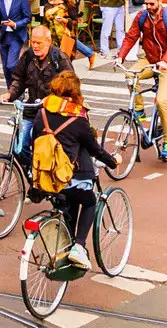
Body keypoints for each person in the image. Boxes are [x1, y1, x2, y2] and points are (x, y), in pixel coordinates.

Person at [30, 69, 118, 272]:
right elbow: (95, 150)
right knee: (89, 201)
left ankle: (65, 251)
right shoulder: (78, 119)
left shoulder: (41, 114)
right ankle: (78, 247)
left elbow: (33, 143)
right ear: (74, 94)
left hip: (45, 180)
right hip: (69, 178)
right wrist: (113, 162)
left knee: (67, 205)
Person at [118, 0, 167, 152]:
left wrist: (165, 61)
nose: (148, 7)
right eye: (146, 3)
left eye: (152, 4)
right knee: (130, 75)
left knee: (161, 101)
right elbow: (131, 36)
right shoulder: (142, 16)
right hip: (150, 60)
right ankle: (140, 110)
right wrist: (120, 57)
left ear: (160, 1)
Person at [0, 19, 69, 157]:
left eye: (38, 43)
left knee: (42, 146)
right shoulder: (28, 56)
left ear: (48, 41)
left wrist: (55, 100)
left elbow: (70, 86)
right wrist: (10, 94)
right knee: (18, 147)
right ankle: (30, 167)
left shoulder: (59, 58)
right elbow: (19, 79)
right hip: (31, 111)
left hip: (51, 113)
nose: (35, 46)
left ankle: (40, 167)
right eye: (33, 42)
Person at [0, 0, 32, 90]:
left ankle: (18, 89)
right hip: (4, 35)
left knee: (11, 65)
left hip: (16, 35)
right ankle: (10, 91)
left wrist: (15, 24)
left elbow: (28, 18)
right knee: (5, 67)